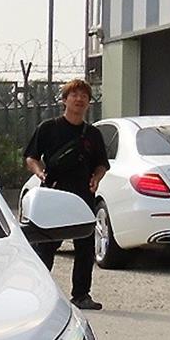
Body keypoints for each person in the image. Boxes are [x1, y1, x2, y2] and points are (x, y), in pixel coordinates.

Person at [24, 79, 109, 310]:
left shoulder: (93, 134)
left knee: (84, 247)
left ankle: (81, 295)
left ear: (89, 103)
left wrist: (96, 177)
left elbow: (102, 163)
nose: (79, 99)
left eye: (84, 96)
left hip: (83, 196)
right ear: (64, 100)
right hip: (54, 194)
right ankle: (37, 293)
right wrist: (39, 171)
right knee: (46, 245)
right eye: (74, 95)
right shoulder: (48, 128)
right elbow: (31, 157)